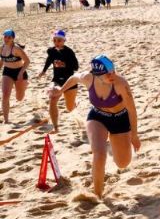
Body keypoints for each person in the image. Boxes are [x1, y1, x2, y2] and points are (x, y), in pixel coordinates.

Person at [50, 55, 140, 198]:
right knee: (99, 154)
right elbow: (74, 78)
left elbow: (132, 110)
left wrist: (134, 135)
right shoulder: (88, 78)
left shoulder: (120, 83)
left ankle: (114, 140)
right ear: (96, 75)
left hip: (120, 119)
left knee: (123, 163)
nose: (112, 75)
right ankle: (98, 195)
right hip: (98, 117)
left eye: (113, 71)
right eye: (108, 74)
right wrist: (61, 91)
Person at [38, 30, 79, 133]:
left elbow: (76, 67)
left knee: (69, 108)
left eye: (59, 40)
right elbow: (49, 60)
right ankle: (56, 127)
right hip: (57, 80)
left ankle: (74, 104)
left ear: (64, 41)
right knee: (52, 99)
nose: (57, 42)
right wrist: (43, 71)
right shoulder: (51, 51)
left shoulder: (69, 52)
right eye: (55, 40)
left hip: (69, 81)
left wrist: (64, 64)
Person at [1, 29, 30, 123]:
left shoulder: (16, 48)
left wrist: (21, 72)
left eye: (9, 37)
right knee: (5, 95)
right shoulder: (1, 48)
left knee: (19, 98)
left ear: (13, 39)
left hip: (19, 72)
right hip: (7, 72)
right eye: (5, 36)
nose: (6, 39)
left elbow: (27, 61)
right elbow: (2, 60)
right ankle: (6, 120)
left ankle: (25, 85)